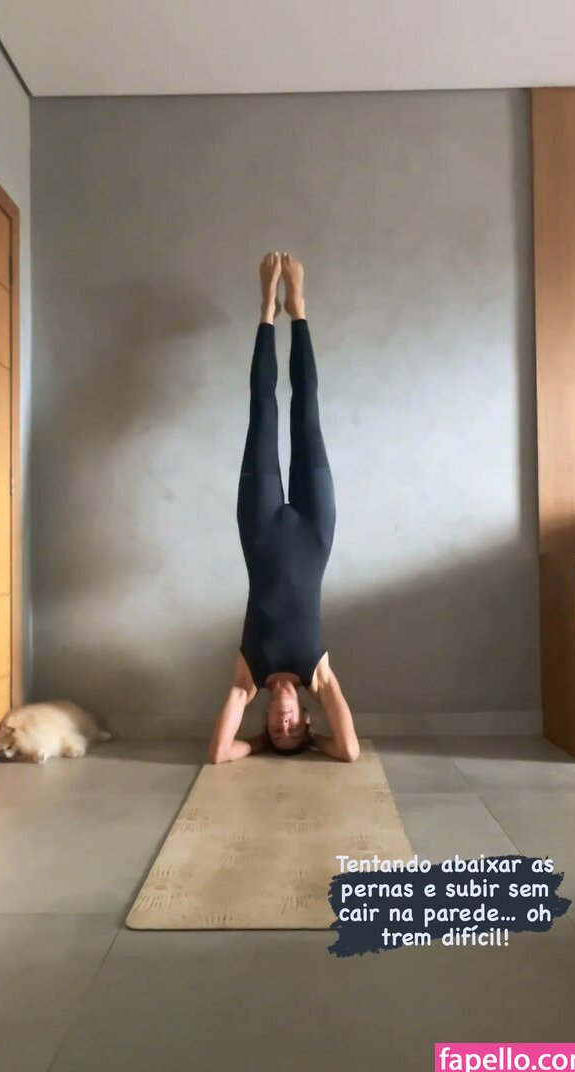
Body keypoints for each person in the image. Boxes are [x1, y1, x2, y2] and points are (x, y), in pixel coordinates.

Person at [207, 252, 359, 765]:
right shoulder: (319, 674)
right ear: (308, 721)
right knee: (306, 410)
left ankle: (266, 312)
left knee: (263, 410)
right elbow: (349, 752)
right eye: (295, 730)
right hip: (315, 529)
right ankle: (298, 309)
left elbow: (218, 753)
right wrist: (312, 744)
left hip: (260, 528)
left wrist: (257, 744)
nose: (284, 723)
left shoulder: (247, 676)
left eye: (277, 731)